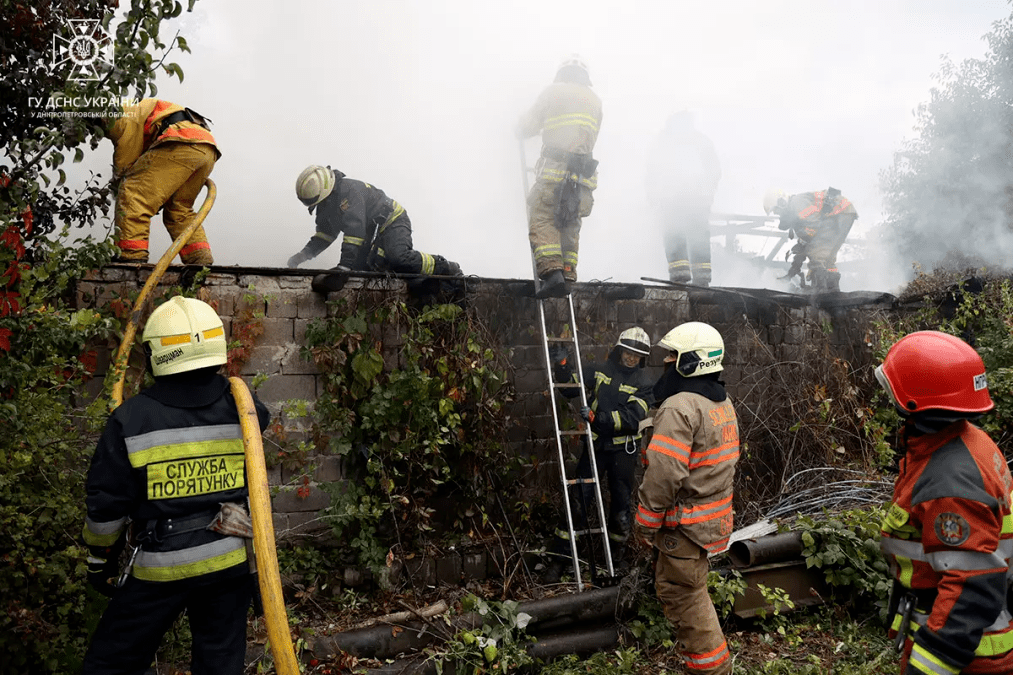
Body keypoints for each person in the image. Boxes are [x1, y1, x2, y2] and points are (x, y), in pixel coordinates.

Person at [81, 296, 270, 675]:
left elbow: (107, 507)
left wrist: (98, 564)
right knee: (220, 665)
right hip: (229, 564)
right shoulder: (243, 405)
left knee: (110, 663)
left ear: (155, 353)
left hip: (160, 568)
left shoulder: (130, 419)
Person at [877, 331, 1013, 675]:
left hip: (965, 655)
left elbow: (971, 586)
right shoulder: (966, 441)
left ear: (915, 403)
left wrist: (927, 667)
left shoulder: (949, 479)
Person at [635, 321, 737, 675]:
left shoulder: (679, 407)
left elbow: (664, 475)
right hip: (710, 522)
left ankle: (711, 670)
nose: (664, 360)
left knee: (684, 596)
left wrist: (645, 524)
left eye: (672, 355)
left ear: (690, 362)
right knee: (693, 591)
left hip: (685, 527)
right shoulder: (720, 403)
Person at [543, 327, 655, 582]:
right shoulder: (600, 370)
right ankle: (559, 560)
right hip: (595, 448)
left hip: (623, 453)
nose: (631, 358)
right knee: (579, 500)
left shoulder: (645, 383)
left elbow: (632, 417)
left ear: (642, 358)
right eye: (628, 352)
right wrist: (561, 363)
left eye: (637, 355)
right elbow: (571, 386)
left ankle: (615, 562)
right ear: (619, 350)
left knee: (620, 507)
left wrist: (597, 418)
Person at [518, 54, 602, 299]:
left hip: (555, 173)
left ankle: (552, 273)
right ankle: (567, 273)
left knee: (543, 216)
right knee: (570, 224)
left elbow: (529, 125)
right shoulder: (595, 100)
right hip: (583, 180)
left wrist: (517, 129)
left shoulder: (553, 92)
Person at [287, 165, 461, 278]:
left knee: (398, 257)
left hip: (392, 220)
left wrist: (344, 266)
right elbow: (324, 235)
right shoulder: (326, 205)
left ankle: (444, 267)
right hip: (372, 231)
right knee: (362, 273)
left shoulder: (349, 192)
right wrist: (302, 256)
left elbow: (355, 231)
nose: (320, 207)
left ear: (326, 192)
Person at [108, 99, 219, 265]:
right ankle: (199, 260)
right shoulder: (136, 110)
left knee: (133, 194)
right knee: (178, 209)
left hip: (179, 141)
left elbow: (127, 163)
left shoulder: (119, 118)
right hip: (206, 148)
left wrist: (120, 189)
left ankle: (131, 257)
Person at [646, 111, 721, 287]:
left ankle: (679, 277)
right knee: (699, 237)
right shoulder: (702, 140)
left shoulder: (664, 141)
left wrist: (653, 195)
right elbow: (715, 171)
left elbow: (653, 172)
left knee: (674, 233)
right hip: (699, 201)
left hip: (673, 199)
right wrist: (708, 193)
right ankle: (702, 280)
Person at [763, 186, 858, 292]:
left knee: (816, 252)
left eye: (776, 210)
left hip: (839, 213)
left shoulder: (797, 204)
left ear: (782, 203)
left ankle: (819, 291)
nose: (777, 214)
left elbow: (816, 225)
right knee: (827, 258)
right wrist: (793, 270)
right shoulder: (795, 211)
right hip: (844, 213)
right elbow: (810, 235)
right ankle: (833, 290)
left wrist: (804, 246)